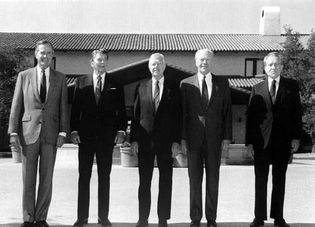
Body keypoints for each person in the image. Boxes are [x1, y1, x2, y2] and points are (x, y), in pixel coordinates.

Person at [8, 40, 68, 227]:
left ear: (52, 56)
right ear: (36, 54)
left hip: (51, 134)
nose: (45, 56)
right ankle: (28, 217)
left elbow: (63, 108)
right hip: (28, 133)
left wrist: (63, 132)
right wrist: (13, 132)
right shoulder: (24, 76)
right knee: (28, 178)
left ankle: (41, 217)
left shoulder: (60, 78)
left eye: (49, 53)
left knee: (46, 178)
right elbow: (16, 105)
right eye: (42, 53)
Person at [70, 49, 127, 227]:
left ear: (107, 62)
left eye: (104, 60)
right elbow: (75, 111)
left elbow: (122, 111)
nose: (101, 63)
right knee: (84, 177)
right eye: (98, 60)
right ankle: (82, 217)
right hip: (85, 138)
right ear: (92, 62)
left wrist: (121, 130)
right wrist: (74, 131)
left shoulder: (116, 83)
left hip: (106, 138)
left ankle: (103, 217)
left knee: (105, 177)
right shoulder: (81, 82)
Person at [246, 52, 302, 227]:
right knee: (260, 180)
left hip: (283, 141)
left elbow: (297, 114)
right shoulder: (257, 88)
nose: (273, 67)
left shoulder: (292, 87)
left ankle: (279, 217)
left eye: (277, 64)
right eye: (270, 64)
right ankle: (259, 218)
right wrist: (249, 142)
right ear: (264, 67)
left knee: (280, 180)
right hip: (261, 142)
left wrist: (296, 137)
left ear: (282, 67)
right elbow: (251, 118)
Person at [180, 49, 232, 227]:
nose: (204, 63)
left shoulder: (223, 83)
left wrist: (226, 139)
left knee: (213, 180)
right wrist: (183, 139)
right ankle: (195, 218)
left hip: (214, 140)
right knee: (194, 180)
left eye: (208, 60)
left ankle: (211, 218)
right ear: (195, 62)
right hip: (193, 141)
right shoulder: (185, 84)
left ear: (212, 62)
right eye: (201, 60)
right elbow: (183, 114)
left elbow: (227, 113)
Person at [130, 53, 182, 227]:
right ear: (149, 67)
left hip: (167, 142)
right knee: (144, 181)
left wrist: (176, 141)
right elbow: (135, 115)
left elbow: (178, 117)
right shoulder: (141, 86)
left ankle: (162, 218)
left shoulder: (175, 88)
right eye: (153, 64)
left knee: (165, 181)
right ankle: (142, 218)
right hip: (144, 141)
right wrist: (134, 140)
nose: (156, 67)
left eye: (159, 64)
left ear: (164, 66)